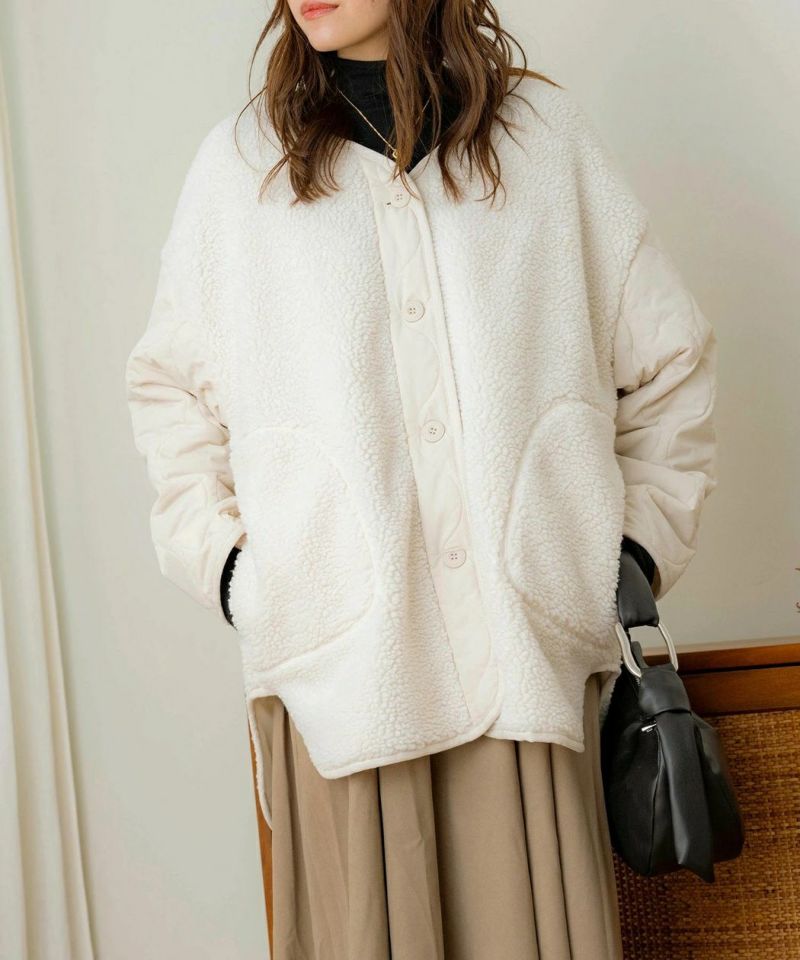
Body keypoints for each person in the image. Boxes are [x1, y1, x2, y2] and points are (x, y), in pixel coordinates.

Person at [125, 1, 718, 957]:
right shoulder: (239, 172)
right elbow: (169, 398)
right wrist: (243, 580)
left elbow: (671, 361)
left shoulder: (545, 144)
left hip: (526, 685)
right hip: (343, 689)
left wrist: (626, 556)